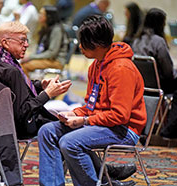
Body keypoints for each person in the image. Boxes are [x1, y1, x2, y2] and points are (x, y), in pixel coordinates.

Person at [37, 15, 146, 186]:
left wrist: (84, 120)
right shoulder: (96, 65)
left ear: (97, 44)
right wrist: (74, 113)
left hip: (123, 130)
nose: (80, 47)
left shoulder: (121, 69)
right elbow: (91, 105)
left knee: (69, 142)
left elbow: (120, 116)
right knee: (47, 131)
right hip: (102, 124)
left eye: (83, 43)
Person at [0, 21, 72, 139]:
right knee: (70, 129)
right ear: (5, 43)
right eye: (22, 41)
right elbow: (23, 113)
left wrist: (39, 85)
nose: (26, 45)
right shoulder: (11, 70)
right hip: (15, 128)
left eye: (27, 41)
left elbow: (13, 88)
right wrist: (47, 94)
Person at [132, 8, 177, 94]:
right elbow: (168, 72)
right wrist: (176, 72)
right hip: (161, 86)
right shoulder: (158, 41)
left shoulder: (136, 41)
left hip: (142, 86)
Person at [21, 5, 69, 77]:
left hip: (56, 61)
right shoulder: (45, 28)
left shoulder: (57, 30)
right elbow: (39, 48)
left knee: (24, 66)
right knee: (20, 63)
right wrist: (30, 56)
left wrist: (31, 57)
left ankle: (28, 87)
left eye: (41, 14)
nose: (39, 15)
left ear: (49, 17)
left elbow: (52, 53)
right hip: (47, 59)